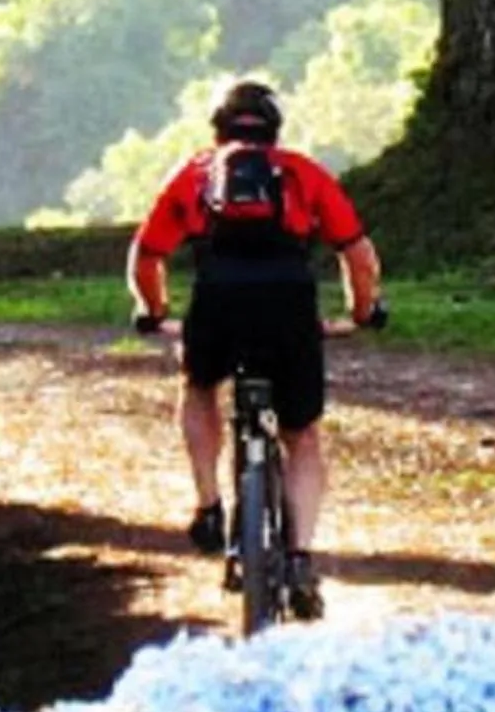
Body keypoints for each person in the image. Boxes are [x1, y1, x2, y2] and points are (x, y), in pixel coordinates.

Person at [127, 80, 384, 617]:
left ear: (218, 130)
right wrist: (362, 315)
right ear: (274, 131)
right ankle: (301, 556)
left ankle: (208, 506)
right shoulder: (302, 173)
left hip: (217, 304)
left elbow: (147, 256)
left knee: (198, 387)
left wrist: (153, 312)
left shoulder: (196, 174)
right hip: (288, 308)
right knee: (303, 435)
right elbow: (358, 256)